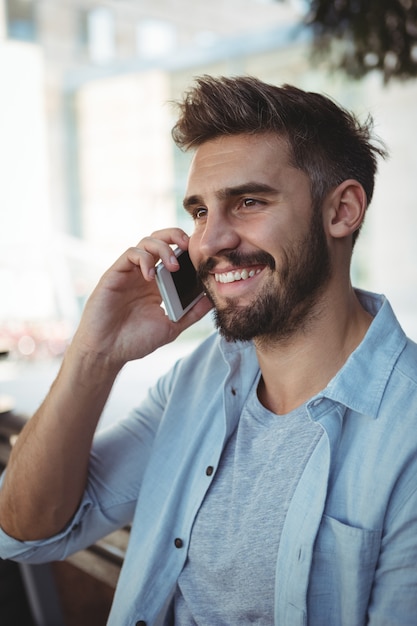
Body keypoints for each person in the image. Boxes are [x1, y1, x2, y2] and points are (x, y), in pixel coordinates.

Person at [0, 75, 416, 626]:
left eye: (247, 202)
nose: (210, 242)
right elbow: (29, 532)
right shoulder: (198, 379)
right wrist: (96, 352)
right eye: (199, 212)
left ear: (342, 211)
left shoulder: (405, 428)